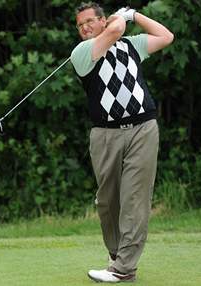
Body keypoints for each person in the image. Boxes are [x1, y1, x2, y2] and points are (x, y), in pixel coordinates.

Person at [70, 2, 174, 283]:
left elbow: (166, 37)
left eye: (90, 21)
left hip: (143, 128)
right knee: (108, 201)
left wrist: (136, 15)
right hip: (105, 135)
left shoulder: (131, 45)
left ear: (102, 20)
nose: (85, 28)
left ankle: (124, 267)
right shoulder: (81, 53)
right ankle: (117, 256)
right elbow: (114, 31)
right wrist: (122, 17)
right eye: (80, 25)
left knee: (135, 200)